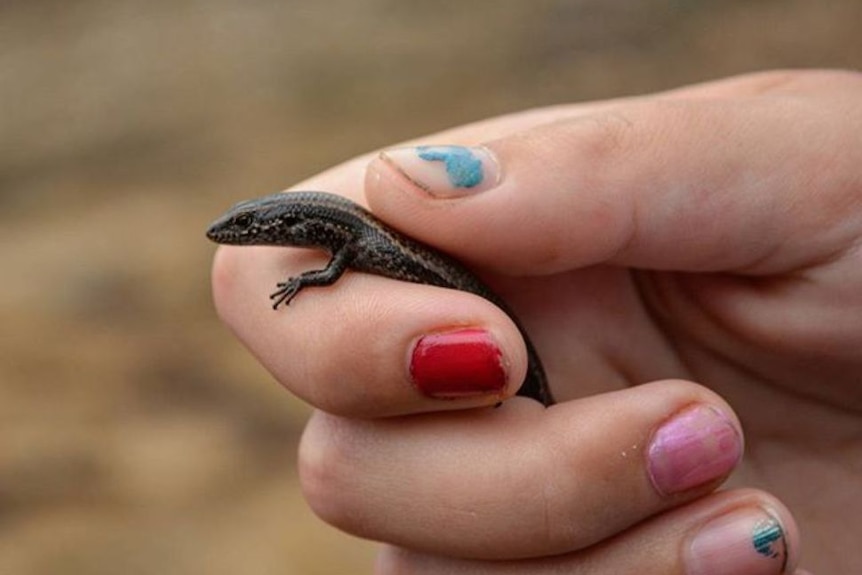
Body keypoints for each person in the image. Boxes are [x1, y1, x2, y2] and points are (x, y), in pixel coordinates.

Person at [210, 70, 861, 574]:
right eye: (242, 227)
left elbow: (342, 262)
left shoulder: (338, 231)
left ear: (281, 224)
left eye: (245, 227)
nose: (235, 236)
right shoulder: (328, 225)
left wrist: (306, 281)